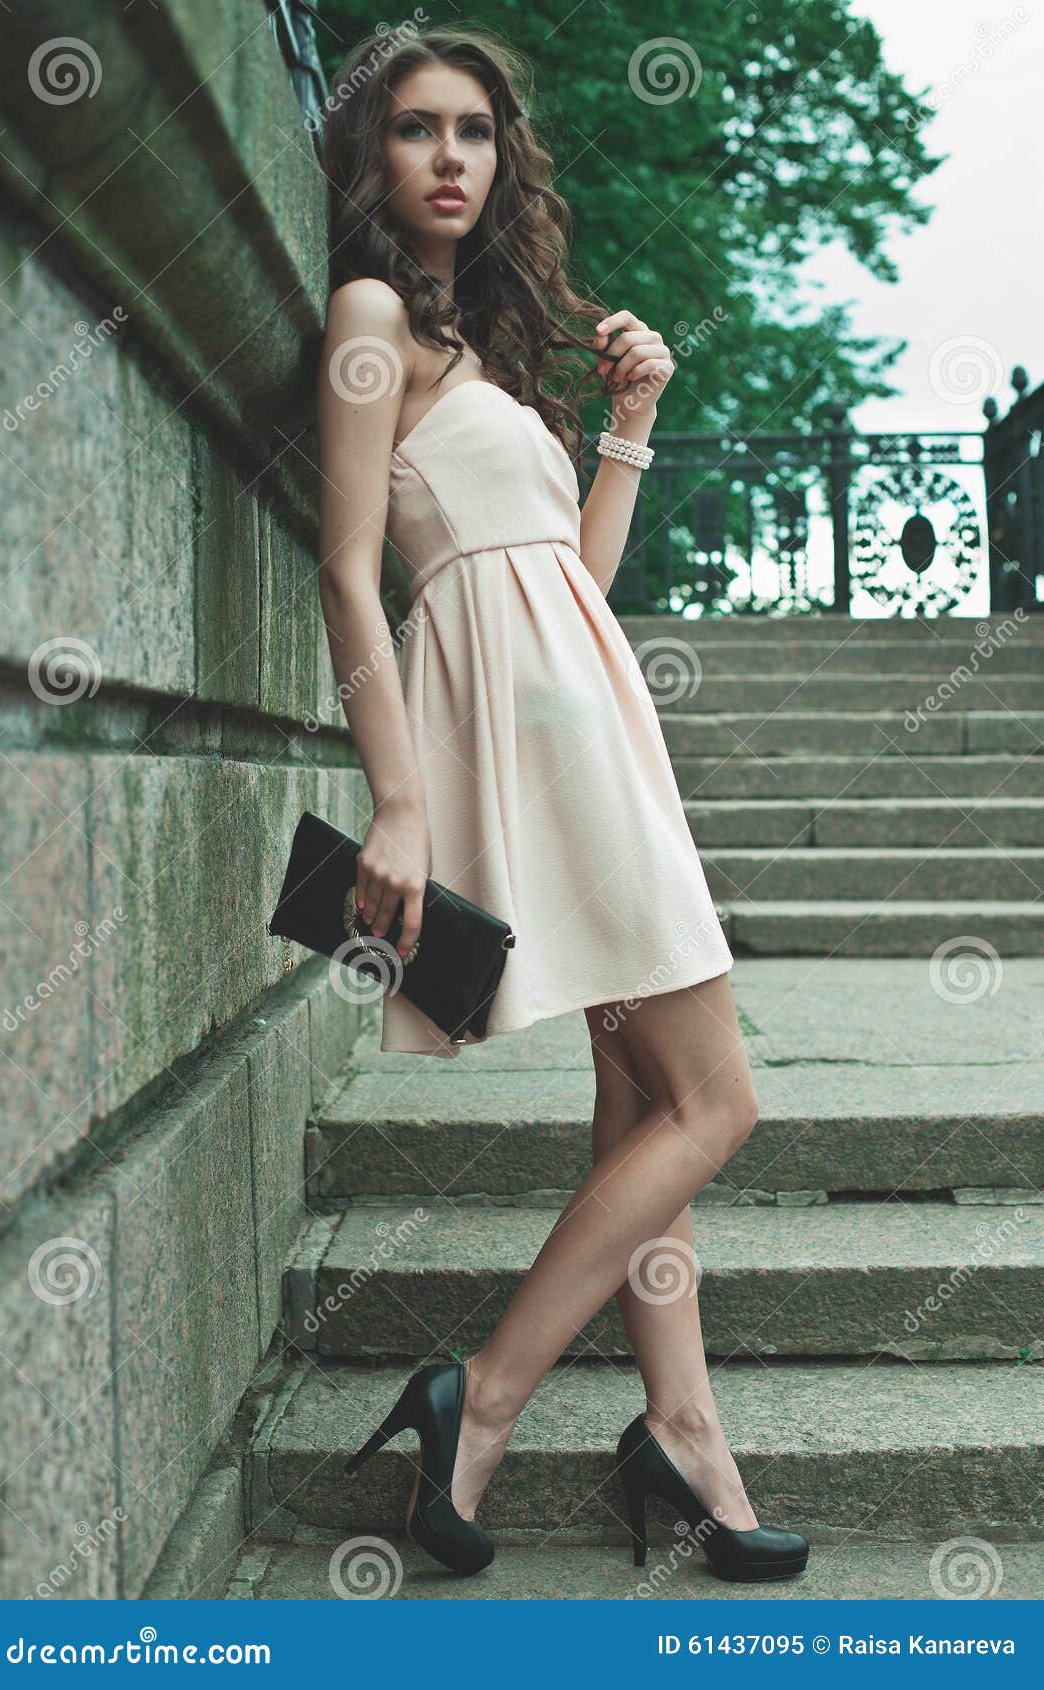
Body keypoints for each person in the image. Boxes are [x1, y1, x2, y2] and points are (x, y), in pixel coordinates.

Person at [316, 26, 809, 1585]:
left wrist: (629, 425)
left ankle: (682, 1429)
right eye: (416, 130)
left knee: (642, 1098)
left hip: (586, 721)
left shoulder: (481, 354)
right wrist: (395, 803)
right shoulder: (370, 316)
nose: (450, 156)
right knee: (715, 1102)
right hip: (532, 757)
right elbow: (347, 567)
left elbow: (570, 588)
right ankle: (489, 1398)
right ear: (373, 160)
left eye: (473, 130)